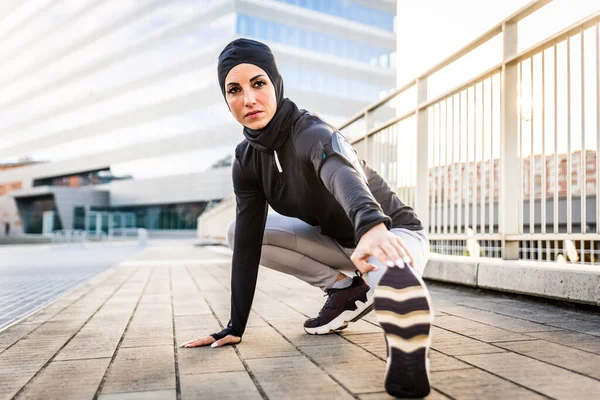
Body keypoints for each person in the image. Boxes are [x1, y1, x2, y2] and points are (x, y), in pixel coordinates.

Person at [180, 38, 433, 398]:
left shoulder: (312, 132)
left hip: (390, 231)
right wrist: (235, 325)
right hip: (338, 243)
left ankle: (404, 345)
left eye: (258, 83)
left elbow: (340, 172)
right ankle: (346, 289)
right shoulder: (246, 161)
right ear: (226, 100)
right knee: (238, 232)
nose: (248, 98)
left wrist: (371, 225)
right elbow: (249, 245)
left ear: (276, 83)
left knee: (388, 271)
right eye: (234, 90)